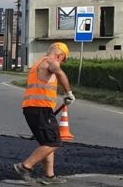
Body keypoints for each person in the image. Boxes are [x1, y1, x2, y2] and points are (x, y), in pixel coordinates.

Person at [14, 42, 76, 185]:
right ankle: (25, 166)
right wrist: (69, 93)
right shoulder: (51, 62)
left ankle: (49, 176)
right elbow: (59, 73)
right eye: (62, 59)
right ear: (59, 54)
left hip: (34, 108)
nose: (61, 62)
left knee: (47, 142)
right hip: (40, 109)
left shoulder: (39, 63)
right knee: (54, 142)